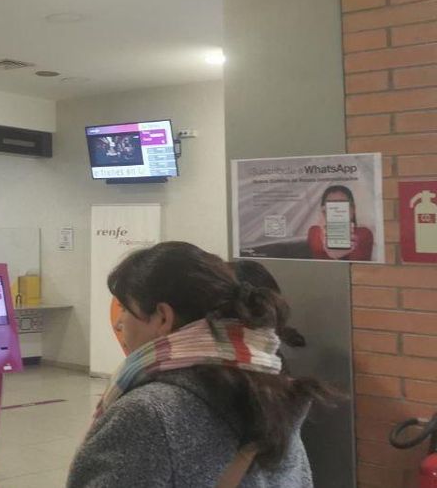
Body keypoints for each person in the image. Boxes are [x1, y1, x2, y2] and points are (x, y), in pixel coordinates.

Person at [67, 241, 330, 487]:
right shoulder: (272, 391)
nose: (118, 322)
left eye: (125, 309)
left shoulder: (146, 414)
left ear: (163, 317)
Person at [307, 185, 375, 261]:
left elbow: (359, 260)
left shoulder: (364, 233)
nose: (337, 210)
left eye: (342, 204)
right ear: (324, 210)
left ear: (353, 209)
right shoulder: (314, 231)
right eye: (331, 205)